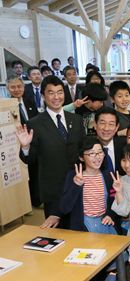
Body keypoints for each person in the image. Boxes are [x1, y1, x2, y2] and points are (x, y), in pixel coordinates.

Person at [16, 75, 85, 228]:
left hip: (77, 186)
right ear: (43, 96)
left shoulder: (76, 120)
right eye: (51, 93)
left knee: (79, 230)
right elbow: (30, 159)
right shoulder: (35, 123)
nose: (56, 97)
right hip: (53, 190)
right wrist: (25, 147)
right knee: (58, 235)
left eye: (59, 92)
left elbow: (82, 150)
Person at [59, 136, 119, 234]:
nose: (97, 156)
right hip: (84, 226)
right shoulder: (74, 176)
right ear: (81, 157)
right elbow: (64, 208)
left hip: (105, 223)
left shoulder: (108, 175)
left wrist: (109, 214)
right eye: (91, 153)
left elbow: (113, 198)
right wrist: (76, 185)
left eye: (100, 152)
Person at [8, 76, 40, 207]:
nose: (16, 90)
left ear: (24, 87)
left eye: (19, 86)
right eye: (13, 87)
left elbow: (37, 120)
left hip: (33, 142)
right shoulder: (6, 106)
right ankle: (25, 203)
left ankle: (36, 200)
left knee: (34, 172)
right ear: (7, 88)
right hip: (16, 145)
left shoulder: (30, 101)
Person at [94, 107, 127, 176]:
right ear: (95, 125)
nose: (106, 128)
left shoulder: (126, 146)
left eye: (111, 124)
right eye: (102, 123)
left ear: (117, 127)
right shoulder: (86, 148)